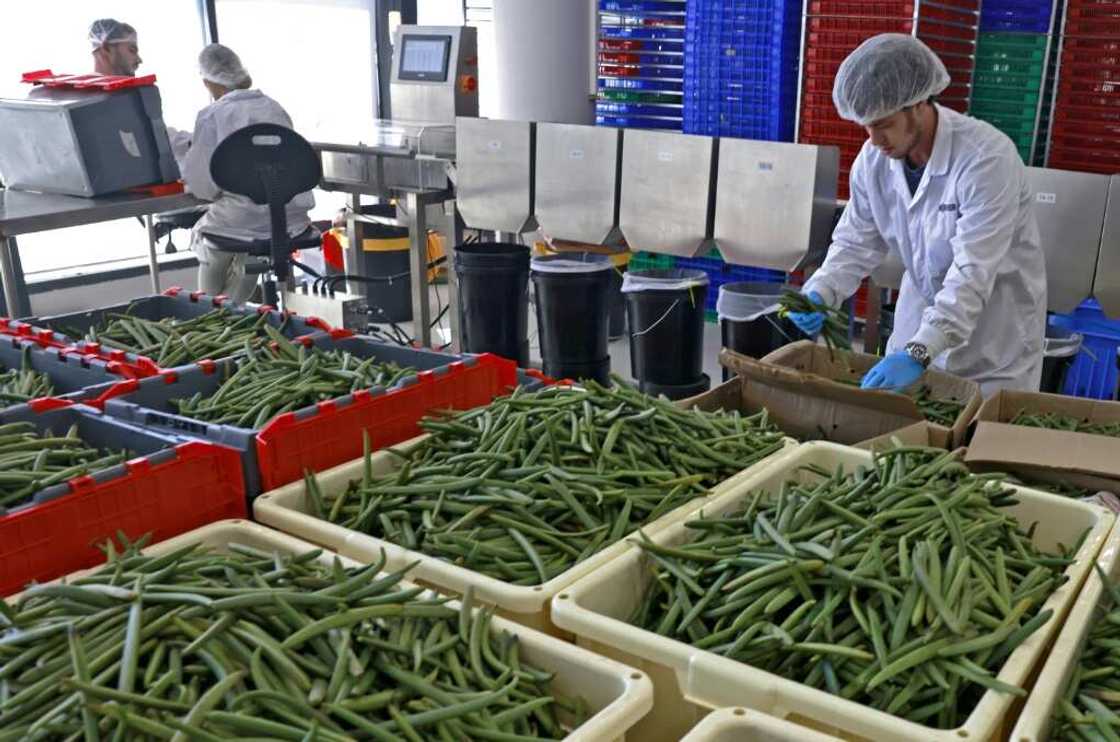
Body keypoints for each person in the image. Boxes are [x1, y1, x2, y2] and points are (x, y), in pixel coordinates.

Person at [787, 34, 1046, 396]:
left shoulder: (986, 160)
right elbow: (855, 241)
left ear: (919, 102)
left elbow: (972, 272)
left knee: (975, 441)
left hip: (992, 342)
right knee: (902, 439)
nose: (874, 139)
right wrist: (821, 290)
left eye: (883, 123)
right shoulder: (874, 161)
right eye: (866, 125)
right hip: (920, 312)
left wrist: (921, 350)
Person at [177, 44, 314, 302]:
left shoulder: (211, 115)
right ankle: (234, 313)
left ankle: (209, 314)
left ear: (207, 82)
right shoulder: (275, 108)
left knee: (215, 247)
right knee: (252, 250)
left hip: (240, 220)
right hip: (288, 218)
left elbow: (202, 188)